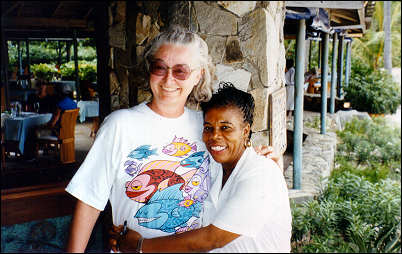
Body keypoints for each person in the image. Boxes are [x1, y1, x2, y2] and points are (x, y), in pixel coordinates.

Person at [65, 26, 279, 252]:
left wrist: (265, 160)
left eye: (180, 71)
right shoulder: (119, 125)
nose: (168, 80)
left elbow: (236, 173)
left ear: (198, 76)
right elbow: (89, 201)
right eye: (160, 68)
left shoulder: (206, 127)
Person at [109, 82, 292, 253]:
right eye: (208, 128)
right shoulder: (217, 169)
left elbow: (212, 238)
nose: (215, 136)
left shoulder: (260, 173)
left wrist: (140, 246)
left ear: (245, 131)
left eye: (225, 128)